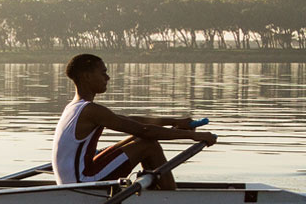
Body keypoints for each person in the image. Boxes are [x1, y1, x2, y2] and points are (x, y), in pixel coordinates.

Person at [52, 53, 216, 189]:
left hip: (73, 179)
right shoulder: (90, 110)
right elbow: (145, 130)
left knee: (140, 139)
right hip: (80, 183)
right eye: (103, 72)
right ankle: (170, 199)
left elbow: (131, 121)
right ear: (87, 76)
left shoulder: (75, 107)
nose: (107, 77)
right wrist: (195, 136)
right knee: (148, 144)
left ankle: (158, 188)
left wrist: (175, 121)